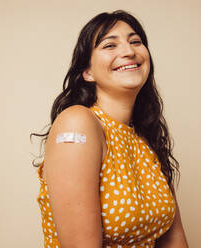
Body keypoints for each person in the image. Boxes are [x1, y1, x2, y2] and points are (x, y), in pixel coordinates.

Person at [31, 10, 189, 248]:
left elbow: (175, 242)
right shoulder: (78, 123)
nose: (128, 51)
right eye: (109, 45)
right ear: (88, 72)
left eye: (135, 41)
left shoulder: (147, 138)